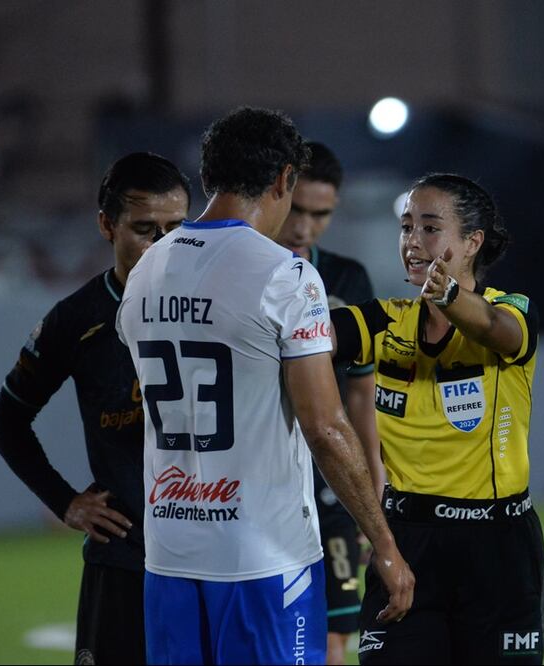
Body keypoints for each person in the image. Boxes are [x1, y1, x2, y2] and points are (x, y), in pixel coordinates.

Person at [115, 107, 413, 665]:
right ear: (283, 179)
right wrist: (385, 543)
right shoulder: (286, 275)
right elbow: (325, 428)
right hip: (262, 559)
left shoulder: (145, 270)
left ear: (209, 176)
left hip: (170, 552)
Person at [331, 173, 544, 664]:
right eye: (406, 227)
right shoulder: (385, 321)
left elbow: (497, 330)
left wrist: (448, 294)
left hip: (497, 545)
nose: (412, 241)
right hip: (406, 541)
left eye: (430, 228)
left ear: (472, 242)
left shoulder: (511, 310)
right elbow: (314, 336)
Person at [0, 152, 192, 665]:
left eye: (176, 229)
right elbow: (6, 421)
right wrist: (65, 502)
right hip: (122, 557)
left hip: (213, 553)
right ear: (106, 225)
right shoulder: (76, 319)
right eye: (145, 229)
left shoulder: (221, 304)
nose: (163, 245)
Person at [276, 141, 381, 665]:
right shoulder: (249, 274)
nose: (304, 227)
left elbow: (362, 393)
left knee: (334, 635)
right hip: (266, 481)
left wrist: (375, 491)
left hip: (330, 479)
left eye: (320, 214)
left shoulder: (346, 279)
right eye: (296, 210)